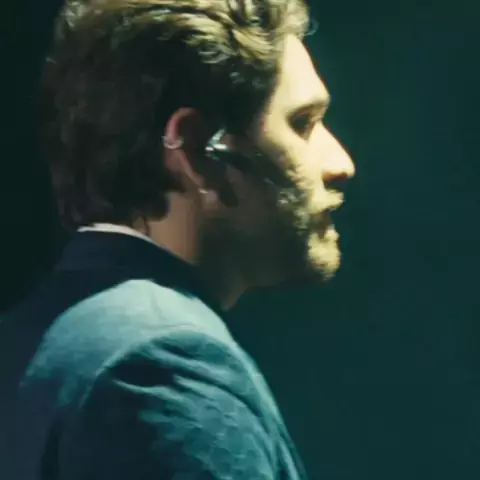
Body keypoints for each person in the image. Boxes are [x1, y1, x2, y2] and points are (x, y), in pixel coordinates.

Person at [0, 0, 355, 478]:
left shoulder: (25, 340)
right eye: (303, 123)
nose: (341, 163)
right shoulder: (164, 368)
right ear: (197, 150)